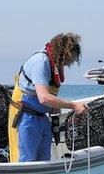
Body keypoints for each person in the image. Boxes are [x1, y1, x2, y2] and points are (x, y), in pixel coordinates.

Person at [8, 32, 89, 162]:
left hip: (41, 117)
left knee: (44, 160)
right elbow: (44, 98)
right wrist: (73, 106)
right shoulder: (41, 62)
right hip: (25, 117)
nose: (69, 63)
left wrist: (53, 107)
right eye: (69, 59)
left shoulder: (54, 64)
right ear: (62, 52)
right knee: (26, 160)